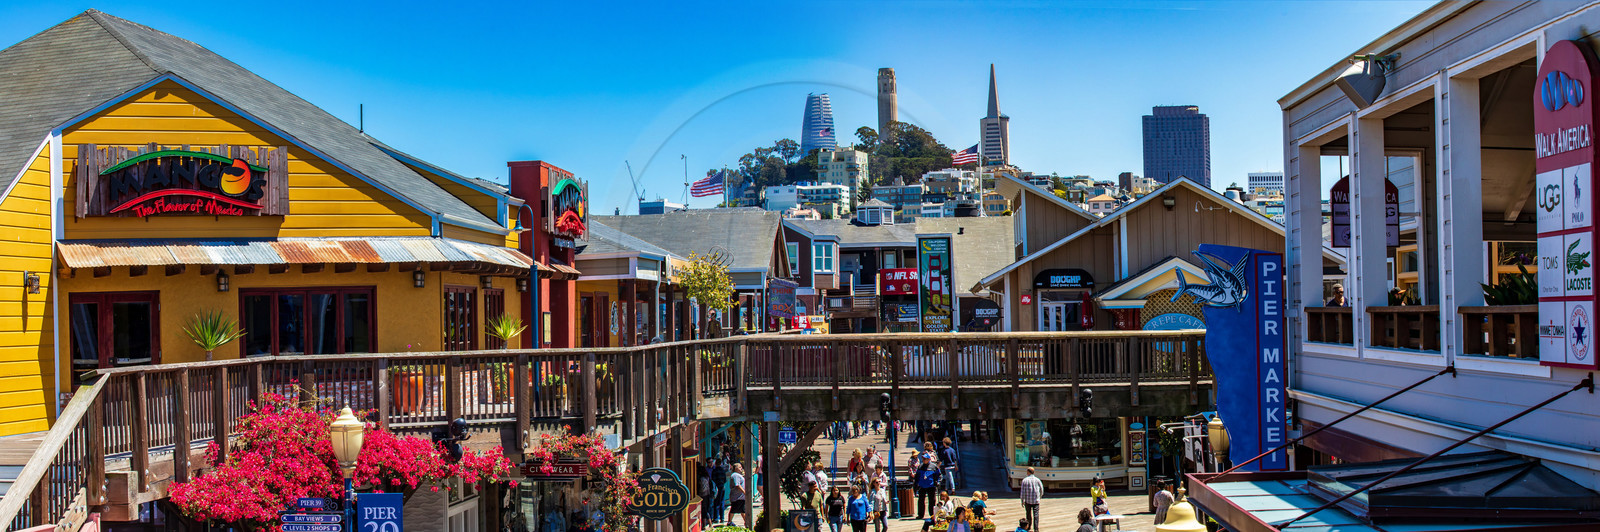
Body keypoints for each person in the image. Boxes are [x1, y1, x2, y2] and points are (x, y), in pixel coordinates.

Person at [1020, 467, 1043, 532]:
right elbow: (1041, 489)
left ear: (1028, 472)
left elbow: (1022, 492)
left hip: (1028, 500)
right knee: (1036, 515)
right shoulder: (1037, 480)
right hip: (1036, 501)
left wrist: (1022, 500)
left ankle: (1028, 527)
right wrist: (1039, 497)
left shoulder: (1025, 480)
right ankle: (1036, 529)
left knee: (1028, 514)